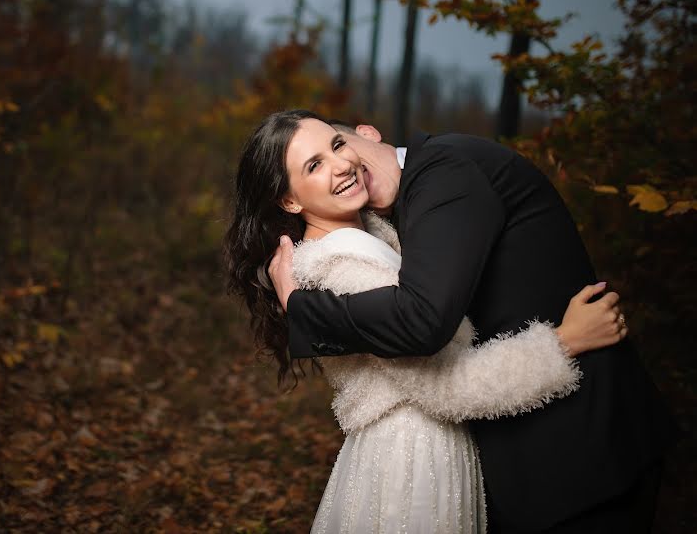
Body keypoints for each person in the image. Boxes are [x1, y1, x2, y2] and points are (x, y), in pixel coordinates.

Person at [266, 113, 677, 532]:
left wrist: (301, 308)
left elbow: (422, 322)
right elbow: (429, 343)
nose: (341, 166)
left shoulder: (444, 174)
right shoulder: (358, 246)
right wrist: (562, 342)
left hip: (583, 453)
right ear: (291, 199)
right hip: (457, 459)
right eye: (313, 165)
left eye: (338, 145)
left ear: (366, 135)